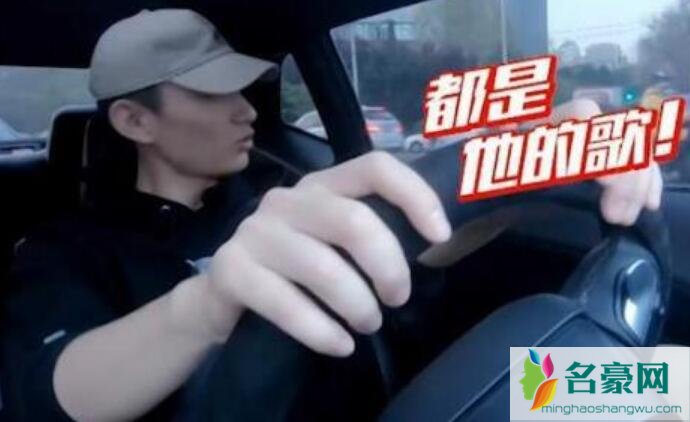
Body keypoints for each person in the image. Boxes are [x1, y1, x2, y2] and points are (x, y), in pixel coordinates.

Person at [0, 8, 663, 422]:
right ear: (134, 120)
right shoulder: (68, 249)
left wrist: (517, 165)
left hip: (411, 393)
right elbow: (50, 392)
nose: (247, 109)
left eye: (244, 88)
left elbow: (416, 247)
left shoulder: (276, 196)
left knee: (661, 388)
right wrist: (205, 304)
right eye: (212, 92)